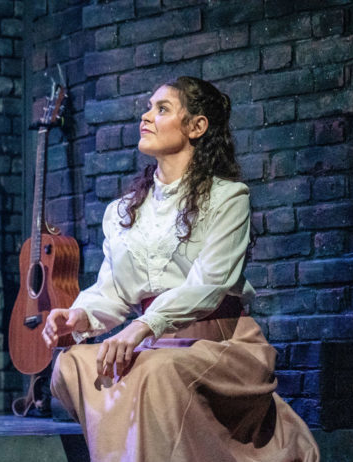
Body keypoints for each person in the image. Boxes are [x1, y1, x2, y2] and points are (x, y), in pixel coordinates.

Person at [41, 76, 320, 461]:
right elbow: (114, 291)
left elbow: (210, 284)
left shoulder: (227, 198)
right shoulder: (122, 212)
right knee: (72, 365)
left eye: (162, 109)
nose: (146, 116)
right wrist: (77, 316)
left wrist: (144, 326)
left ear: (196, 126)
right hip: (152, 347)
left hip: (219, 343)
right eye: (148, 107)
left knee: (159, 372)